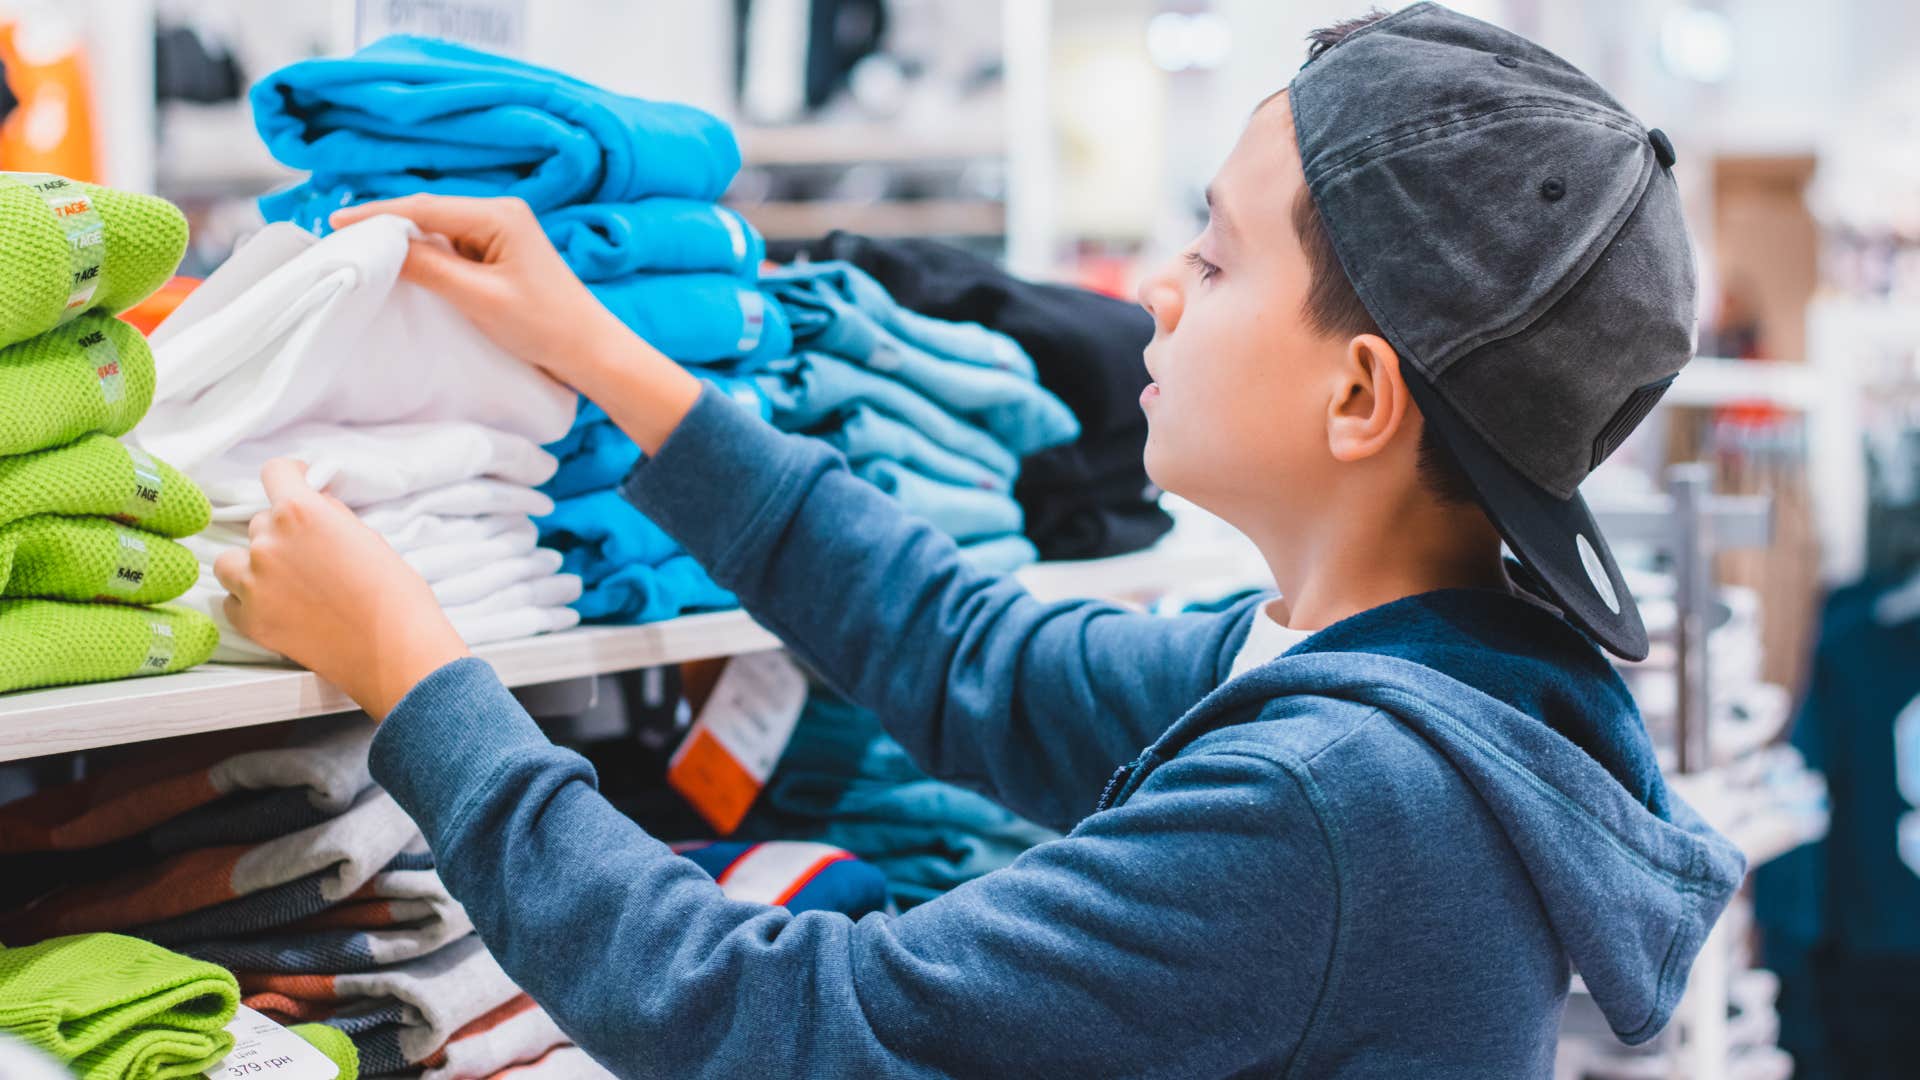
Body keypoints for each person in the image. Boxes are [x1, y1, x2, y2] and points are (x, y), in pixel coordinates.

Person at [215, 4, 1745, 1076]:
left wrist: (419, 673)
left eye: (1212, 258)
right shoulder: (1410, 677)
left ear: (1359, 396)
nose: (1154, 286)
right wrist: (605, 353)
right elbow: (972, 655)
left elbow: (798, 1025)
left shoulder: (1334, 798)